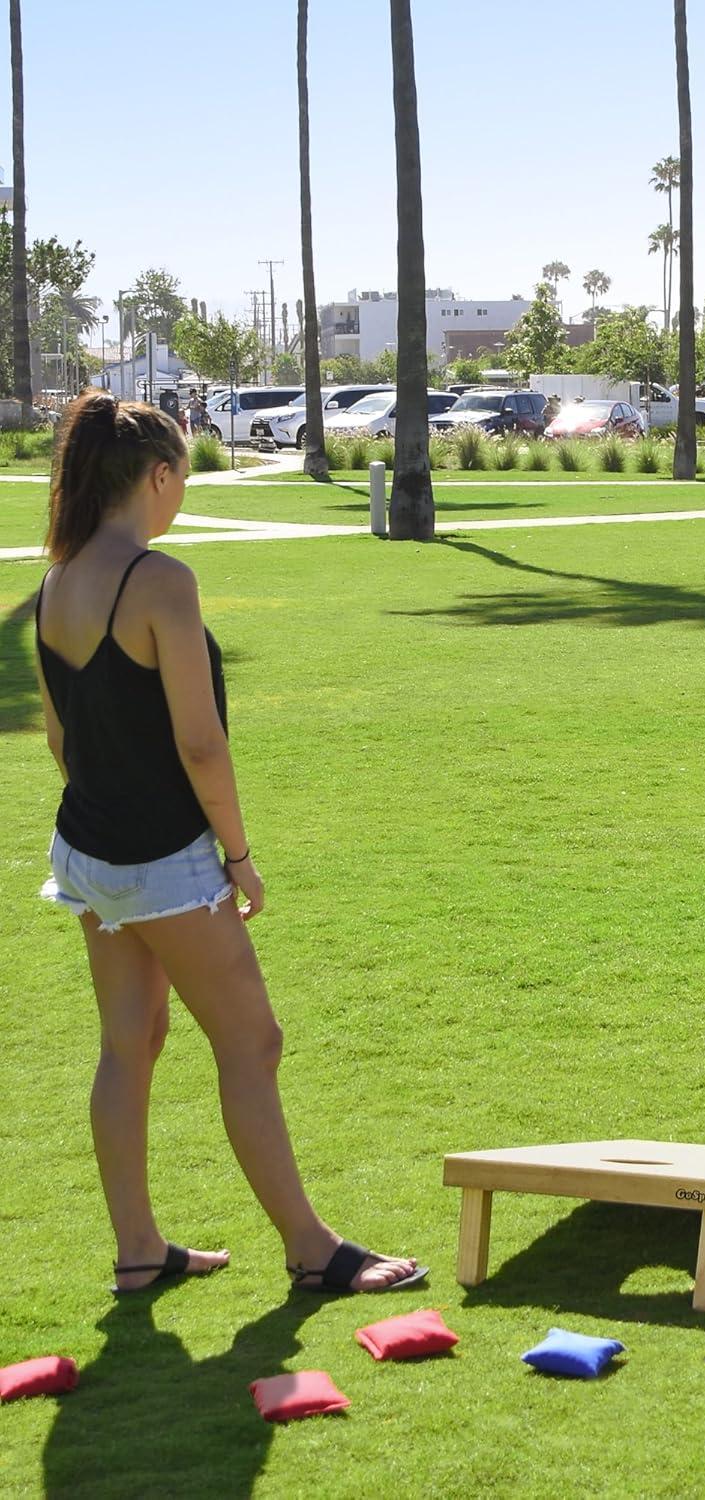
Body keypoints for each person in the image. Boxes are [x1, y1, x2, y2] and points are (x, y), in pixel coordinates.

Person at [33, 392, 424, 1296]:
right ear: (159, 476)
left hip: (86, 852)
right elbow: (200, 743)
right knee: (252, 1042)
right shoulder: (160, 581)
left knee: (128, 1044)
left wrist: (111, 833)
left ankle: (139, 1250)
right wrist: (237, 858)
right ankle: (311, 1248)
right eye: (183, 479)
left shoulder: (57, 581)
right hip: (160, 859)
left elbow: (60, 739)